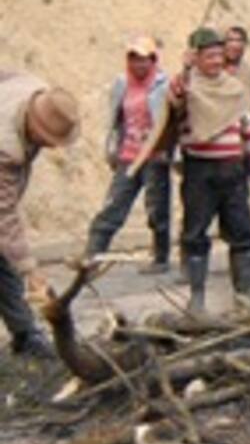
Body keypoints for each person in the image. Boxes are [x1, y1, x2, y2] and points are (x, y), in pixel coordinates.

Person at [171, 27, 250, 311]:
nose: (216, 61)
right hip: (199, 172)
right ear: (197, 57)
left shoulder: (234, 89)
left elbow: (249, 129)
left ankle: (244, 296)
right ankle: (197, 297)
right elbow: (175, 100)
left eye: (219, 55)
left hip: (233, 170)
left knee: (242, 231)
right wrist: (185, 68)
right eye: (209, 56)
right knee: (195, 233)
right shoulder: (187, 87)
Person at [0, 74, 81, 359]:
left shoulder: (33, 89)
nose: (49, 146)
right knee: (10, 255)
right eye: (46, 139)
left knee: (4, 258)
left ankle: (24, 334)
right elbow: (4, 214)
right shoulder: (6, 146)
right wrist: (30, 270)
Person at [84, 36, 172, 274]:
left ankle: (161, 257)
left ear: (153, 60)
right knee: (113, 206)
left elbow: (171, 120)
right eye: (134, 59)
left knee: (157, 210)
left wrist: (170, 151)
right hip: (128, 154)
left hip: (154, 155)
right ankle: (91, 257)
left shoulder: (164, 86)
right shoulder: (122, 84)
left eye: (144, 59)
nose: (139, 65)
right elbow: (115, 120)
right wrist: (112, 148)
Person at [223, 25, 250, 97]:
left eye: (238, 41)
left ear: (244, 46)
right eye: (230, 40)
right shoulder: (213, 68)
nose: (233, 44)